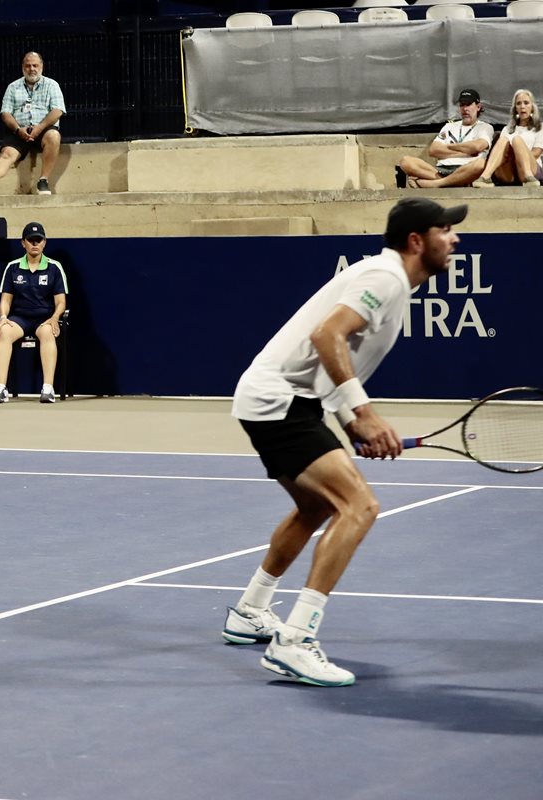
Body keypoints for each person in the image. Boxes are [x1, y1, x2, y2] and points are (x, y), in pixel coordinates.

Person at [224, 197, 467, 687]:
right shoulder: (386, 278)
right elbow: (326, 336)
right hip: (280, 400)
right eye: (445, 230)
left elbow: (331, 363)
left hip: (285, 398)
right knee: (359, 506)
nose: (455, 239)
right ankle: (294, 642)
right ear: (416, 241)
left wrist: (351, 421)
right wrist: (365, 413)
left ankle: (250, 611)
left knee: (317, 506)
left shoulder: (391, 281)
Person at [0, 222, 68, 404]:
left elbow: (61, 302)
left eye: (38, 240)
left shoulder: (54, 267)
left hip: (44, 319)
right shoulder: (13, 267)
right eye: (30, 240)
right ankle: (0, 388)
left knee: (48, 332)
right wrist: (3, 317)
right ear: (23, 243)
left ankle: (48, 388)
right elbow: (6, 300)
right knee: (4, 332)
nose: (35, 243)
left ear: (44, 243)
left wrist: (54, 318)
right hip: (20, 319)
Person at [0, 52, 66, 197]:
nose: (32, 69)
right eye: (28, 66)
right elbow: (5, 113)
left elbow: (58, 110)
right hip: (18, 131)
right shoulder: (13, 87)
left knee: (54, 136)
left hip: (44, 130)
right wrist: (18, 130)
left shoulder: (52, 85)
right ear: (23, 67)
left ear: (41, 66)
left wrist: (39, 128)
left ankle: (43, 181)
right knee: (7, 154)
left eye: (35, 65)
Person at [397, 89, 493, 189]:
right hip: (442, 170)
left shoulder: (485, 127)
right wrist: (465, 152)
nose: (465, 109)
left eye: (468, 105)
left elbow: (478, 147)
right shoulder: (449, 126)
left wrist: (448, 147)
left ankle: (437, 183)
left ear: (478, 107)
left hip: (467, 169)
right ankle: (456, 183)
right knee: (405, 161)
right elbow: (433, 150)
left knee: (480, 164)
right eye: (462, 105)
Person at [472, 88, 543, 188]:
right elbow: (500, 154)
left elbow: (536, 153)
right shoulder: (507, 129)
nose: (522, 106)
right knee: (503, 139)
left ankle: (528, 178)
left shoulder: (540, 127)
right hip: (509, 173)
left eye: (526, 103)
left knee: (516, 140)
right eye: (518, 103)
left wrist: (518, 154)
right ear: (515, 108)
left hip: (531, 170)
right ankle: (485, 177)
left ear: (532, 107)